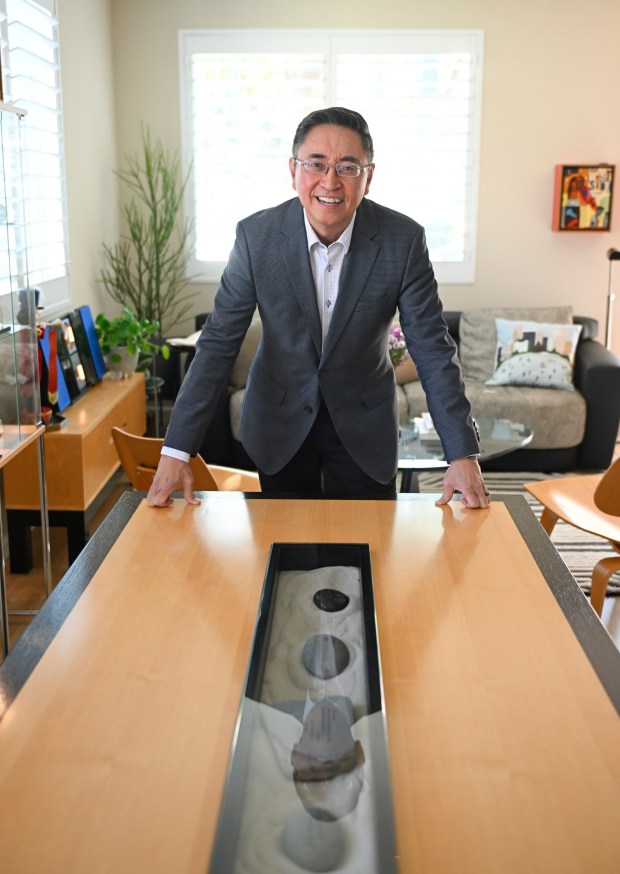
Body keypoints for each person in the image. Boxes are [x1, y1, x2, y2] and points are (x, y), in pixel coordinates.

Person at [147, 107, 490, 508]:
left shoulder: (403, 241)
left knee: (370, 556)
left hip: (365, 424)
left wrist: (461, 453)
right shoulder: (255, 238)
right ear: (293, 170)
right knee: (287, 557)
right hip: (279, 421)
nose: (330, 181)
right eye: (316, 164)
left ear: (369, 177)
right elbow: (218, 343)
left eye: (348, 167)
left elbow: (432, 347)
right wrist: (176, 451)